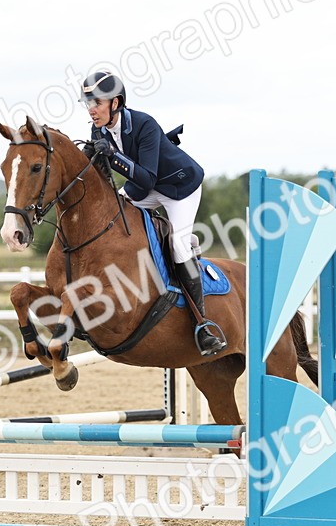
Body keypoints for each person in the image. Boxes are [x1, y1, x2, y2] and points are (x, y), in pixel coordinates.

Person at [81, 70, 227, 357]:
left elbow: (146, 178)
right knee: (112, 221)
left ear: (116, 103)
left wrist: (111, 156)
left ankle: (203, 324)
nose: (92, 109)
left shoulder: (144, 124)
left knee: (177, 246)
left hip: (178, 188)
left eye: (97, 102)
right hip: (143, 188)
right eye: (88, 103)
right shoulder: (97, 130)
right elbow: (112, 180)